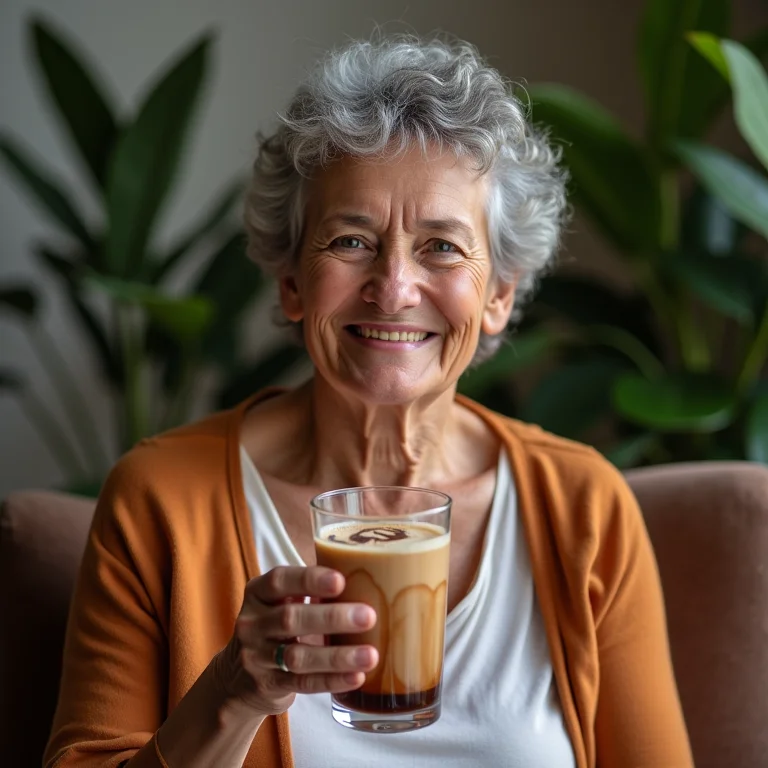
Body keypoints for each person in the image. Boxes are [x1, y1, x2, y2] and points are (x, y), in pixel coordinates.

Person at [44, 35, 693, 768]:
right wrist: (233, 691)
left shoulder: (584, 506)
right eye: (351, 241)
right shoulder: (160, 499)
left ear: (500, 295)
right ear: (292, 282)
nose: (394, 287)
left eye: (441, 247)